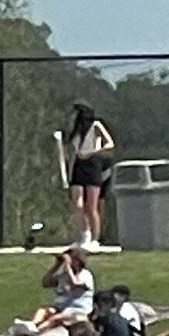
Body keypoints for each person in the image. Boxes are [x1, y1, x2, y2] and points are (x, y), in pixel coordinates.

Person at [9, 245, 95, 336]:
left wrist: (68, 265)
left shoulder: (86, 275)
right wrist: (56, 265)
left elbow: (74, 283)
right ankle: (32, 325)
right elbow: (45, 282)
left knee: (55, 318)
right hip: (62, 308)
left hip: (78, 311)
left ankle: (36, 332)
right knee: (43, 311)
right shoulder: (64, 276)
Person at [62, 101, 114, 250]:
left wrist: (93, 153)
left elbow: (109, 144)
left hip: (93, 164)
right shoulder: (74, 130)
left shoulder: (95, 125)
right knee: (77, 204)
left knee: (91, 205)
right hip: (78, 165)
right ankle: (82, 235)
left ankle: (95, 238)